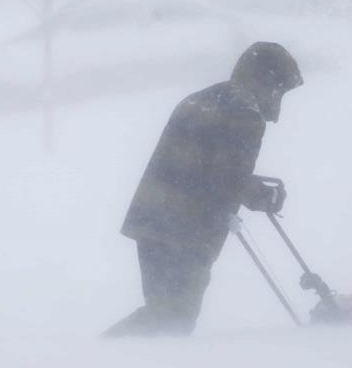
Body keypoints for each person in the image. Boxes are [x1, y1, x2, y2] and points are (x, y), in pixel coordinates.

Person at [103, 42, 303, 337]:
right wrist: (262, 196)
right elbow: (227, 176)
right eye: (280, 89)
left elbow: (206, 166)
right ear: (268, 81)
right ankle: (93, 356)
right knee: (173, 320)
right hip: (187, 230)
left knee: (163, 313)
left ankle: (103, 355)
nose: (278, 99)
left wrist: (249, 188)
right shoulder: (245, 112)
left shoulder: (203, 99)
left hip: (152, 219)